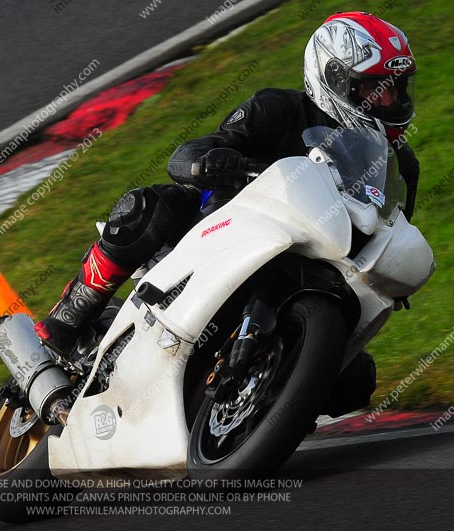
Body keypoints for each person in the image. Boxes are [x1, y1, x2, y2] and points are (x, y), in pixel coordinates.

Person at [34, 12, 420, 415]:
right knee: (148, 206)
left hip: (316, 273)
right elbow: (189, 155)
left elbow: (390, 230)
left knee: (356, 382)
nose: (389, 101)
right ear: (335, 79)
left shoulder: (401, 165)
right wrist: (212, 163)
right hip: (224, 235)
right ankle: (69, 318)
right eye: (376, 89)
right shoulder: (277, 109)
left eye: (396, 90)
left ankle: (259, 412)